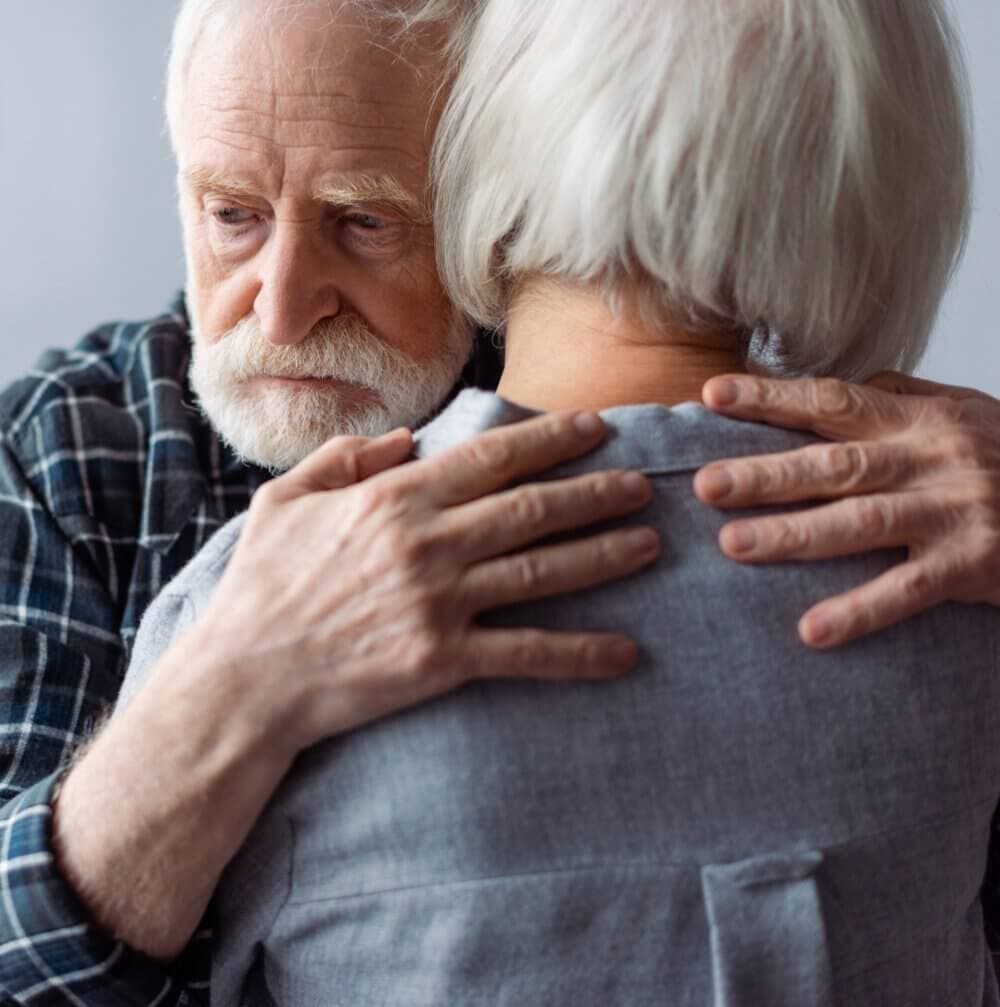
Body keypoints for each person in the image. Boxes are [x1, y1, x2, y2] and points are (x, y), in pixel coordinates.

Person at [1, 0, 1000, 1003]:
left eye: (366, 219)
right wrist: (227, 692)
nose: (282, 300)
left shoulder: (884, 494)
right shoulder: (63, 453)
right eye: (233, 215)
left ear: (498, 167)